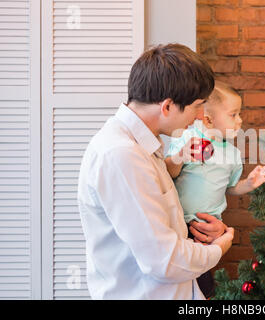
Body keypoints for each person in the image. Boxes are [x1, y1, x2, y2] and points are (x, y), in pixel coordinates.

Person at [77, 44, 234, 300]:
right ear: (168, 106)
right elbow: (165, 260)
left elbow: (161, 224)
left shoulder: (143, 145)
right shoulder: (121, 155)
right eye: (196, 106)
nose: (200, 117)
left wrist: (203, 236)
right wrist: (218, 249)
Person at [164, 81, 265, 297]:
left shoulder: (232, 154)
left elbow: (231, 188)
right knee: (186, 283)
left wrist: (249, 184)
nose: (240, 121)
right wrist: (181, 155)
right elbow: (168, 172)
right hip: (179, 224)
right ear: (208, 119)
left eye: (239, 114)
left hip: (208, 229)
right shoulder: (189, 139)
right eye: (233, 115)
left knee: (201, 284)